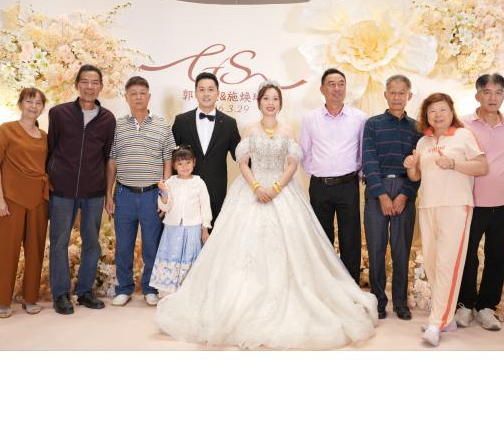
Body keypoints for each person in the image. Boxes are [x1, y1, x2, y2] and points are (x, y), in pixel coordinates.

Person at [154, 80, 378, 350]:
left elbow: (292, 164)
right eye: (266, 99)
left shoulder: (288, 129)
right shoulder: (249, 129)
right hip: (251, 189)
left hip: (283, 191)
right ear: (259, 102)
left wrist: (276, 188)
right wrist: (257, 187)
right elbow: (242, 163)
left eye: (275, 99)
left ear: (280, 103)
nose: (270, 103)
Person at [404, 93, 487, 347]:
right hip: (428, 206)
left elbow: (482, 167)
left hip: (455, 206)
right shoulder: (423, 142)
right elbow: (417, 177)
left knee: (446, 264)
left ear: (451, 112)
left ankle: (435, 322)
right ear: (426, 116)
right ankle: (447, 319)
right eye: (432, 111)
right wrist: (411, 166)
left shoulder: (463, 135)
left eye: (442, 109)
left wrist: (453, 163)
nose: (437, 114)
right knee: (431, 263)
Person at [455, 73, 504, 331]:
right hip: (472, 203)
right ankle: (465, 305)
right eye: (487, 92)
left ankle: (486, 307)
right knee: (467, 256)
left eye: (498, 92)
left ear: (503, 96)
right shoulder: (463, 123)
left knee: (497, 256)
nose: (493, 97)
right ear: (477, 95)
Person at [47, 64, 116, 315]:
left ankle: (85, 291)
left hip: (93, 191)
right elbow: (50, 149)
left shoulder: (108, 119)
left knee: (91, 243)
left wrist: (108, 192)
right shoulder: (58, 113)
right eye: (85, 81)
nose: (90, 87)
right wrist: (52, 179)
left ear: (101, 86)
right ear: (77, 84)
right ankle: (60, 294)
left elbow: (108, 157)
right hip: (62, 190)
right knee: (59, 242)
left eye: (95, 82)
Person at [105, 76, 175, 307]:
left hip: (151, 195)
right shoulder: (117, 126)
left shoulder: (162, 125)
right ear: (126, 97)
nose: (138, 98)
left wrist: (165, 195)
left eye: (142, 93)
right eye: (133, 94)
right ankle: (124, 288)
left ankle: (150, 288)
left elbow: (167, 161)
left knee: (151, 246)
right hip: (124, 194)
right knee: (123, 245)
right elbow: (112, 162)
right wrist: (108, 194)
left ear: (149, 96)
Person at [300, 68, 367, 284]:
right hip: (320, 186)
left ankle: (351, 286)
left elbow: (363, 151)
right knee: (322, 237)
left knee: (351, 237)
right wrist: (319, 174)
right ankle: (325, 285)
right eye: (331, 84)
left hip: (348, 185)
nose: (336, 88)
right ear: (322, 89)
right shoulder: (310, 119)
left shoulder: (359, 118)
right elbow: (305, 153)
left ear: (345, 88)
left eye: (341, 84)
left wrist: (356, 174)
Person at [362, 75, 421, 320]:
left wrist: (405, 195)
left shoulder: (417, 128)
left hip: (405, 191)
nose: (397, 97)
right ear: (385, 95)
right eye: (393, 92)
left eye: (402, 93)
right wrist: (382, 195)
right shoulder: (373, 124)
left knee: (401, 250)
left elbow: (419, 167)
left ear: (409, 96)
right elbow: (368, 160)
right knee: (376, 249)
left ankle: (400, 303)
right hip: (377, 191)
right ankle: (378, 301)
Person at [0, 88, 49, 318]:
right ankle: (4, 302)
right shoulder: (5, 130)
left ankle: (30, 298)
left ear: (42, 107)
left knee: (35, 251)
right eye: (29, 101)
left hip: (38, 201)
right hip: (10, 200)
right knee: (6, 251)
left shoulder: (45, 136)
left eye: (38, 102)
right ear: (20, 104)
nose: (33, 106)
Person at [171, 72, 240, 226]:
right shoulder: (181, 121)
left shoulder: (229, 124)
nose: (206, 94)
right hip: (185, 191)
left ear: (218, 93)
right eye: (201, 89)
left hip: (216, 191)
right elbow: (171, 156)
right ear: (195, 93)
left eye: (210, 89)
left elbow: (240, 156)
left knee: (213, 234)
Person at [149, 145, 212, 294]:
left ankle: (188, 292)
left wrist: (205, 228)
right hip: (172, 229)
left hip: (192, 229)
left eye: (188, 162)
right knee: (172, 256)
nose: (184, 167)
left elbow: (205, 207)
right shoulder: (170, 183)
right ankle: (168, 291)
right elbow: (165, 207)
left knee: (190, 258)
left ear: (194, 162)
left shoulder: (199, 183)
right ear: (174, 165)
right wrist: (164, 192)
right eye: (180, 163)